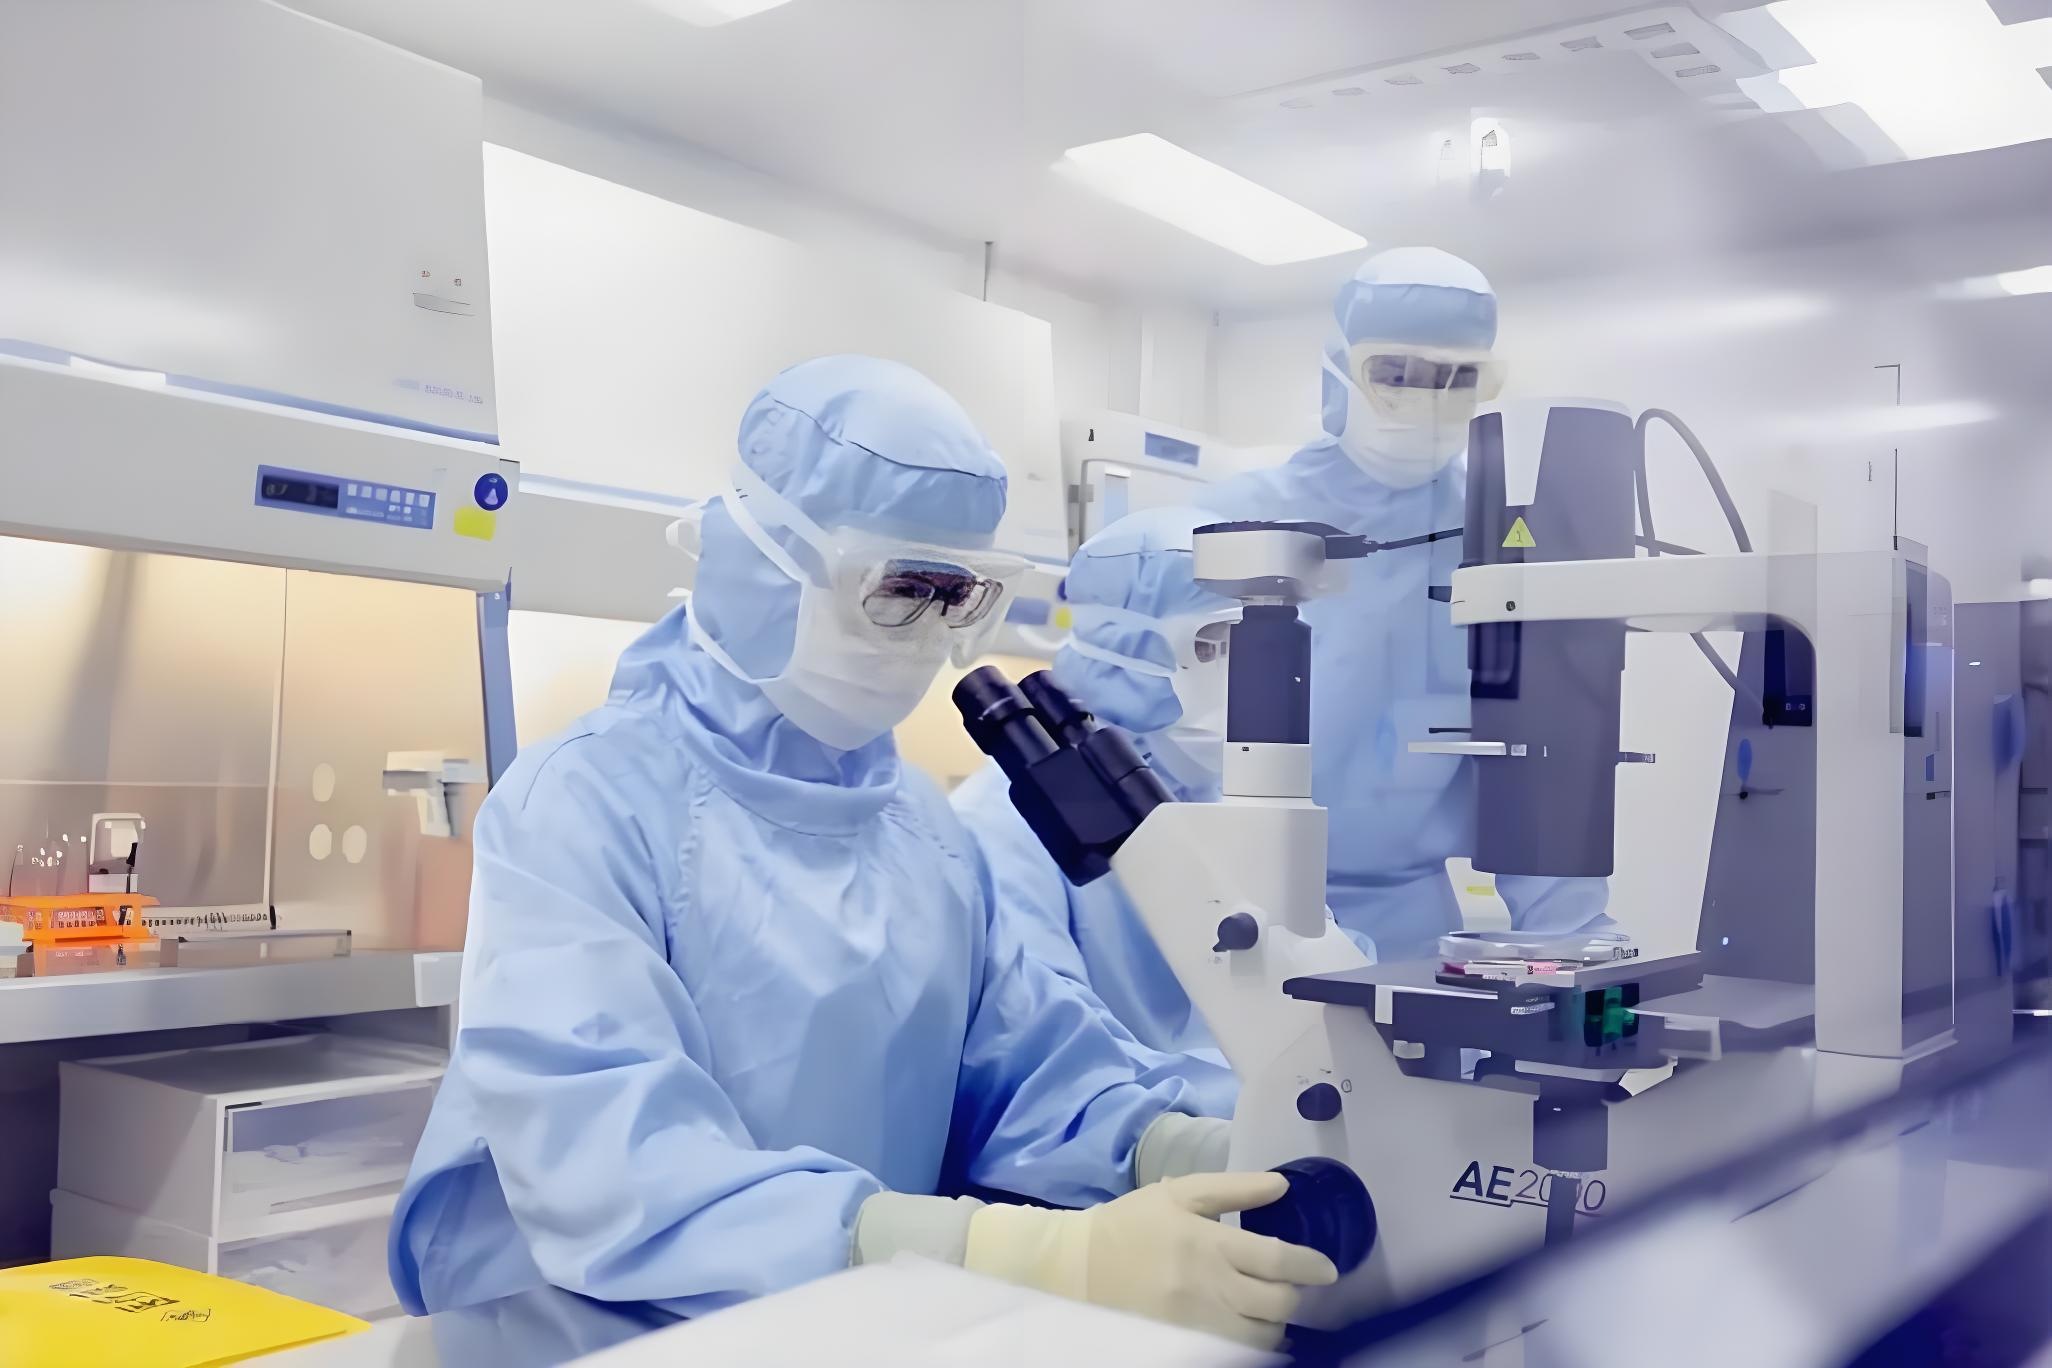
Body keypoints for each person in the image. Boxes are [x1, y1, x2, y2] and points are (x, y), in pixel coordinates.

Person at [387, 355, 1335, 1350]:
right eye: (902, 588)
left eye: (957, 596)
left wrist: (1205, 1152)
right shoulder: (582, 804)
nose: (927, 633)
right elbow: (621, 1167)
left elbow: (1029, 1073)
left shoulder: (921, 828)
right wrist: (1038, 1256)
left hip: (842, 1329)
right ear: (766, 565)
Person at [1199, 248, 1615, 962]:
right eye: (1395, 373)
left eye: (1459, 378)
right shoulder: (1239, 518)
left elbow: (1534, 753)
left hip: (1412, 924)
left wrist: (1571, 938)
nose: (1427, 400)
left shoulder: (1497, 531)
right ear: (1339, 373)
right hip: (1236, 896)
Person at [952, 506, 1250, 1120]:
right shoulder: (1003, 828)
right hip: (1118, 1151)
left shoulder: (1220, 799)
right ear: (1123, 648)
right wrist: (1223, 1117)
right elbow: (1048, 1059)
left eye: (1263, 647)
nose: (1252, 677)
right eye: (1216, 644)